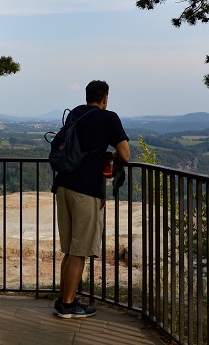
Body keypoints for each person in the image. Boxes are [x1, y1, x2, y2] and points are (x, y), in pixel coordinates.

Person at [52, 80, 130, 318]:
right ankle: (68, 305)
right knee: (80, 251)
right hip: (86, 190)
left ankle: (64, 300)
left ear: (87, 97)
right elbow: (126, 155)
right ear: (105, 98)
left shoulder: (74, 114)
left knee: (69, 250)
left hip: (63, 185)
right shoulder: (108, 118)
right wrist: (112, 155)